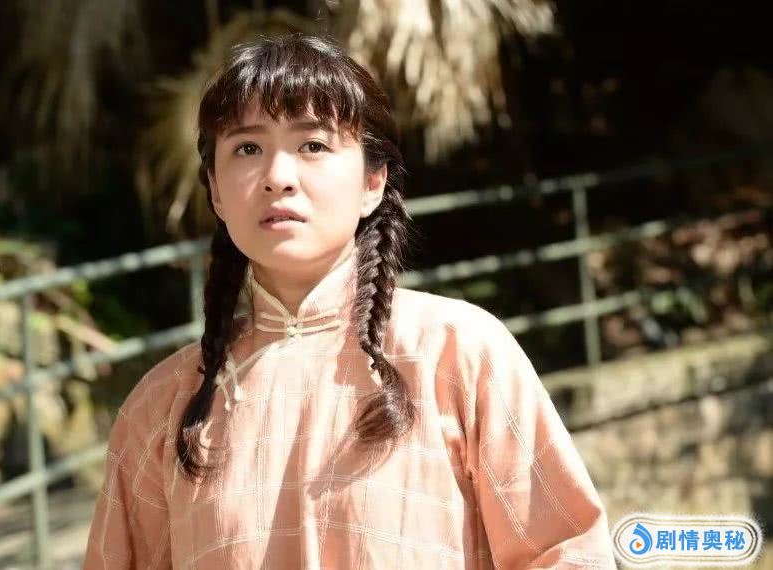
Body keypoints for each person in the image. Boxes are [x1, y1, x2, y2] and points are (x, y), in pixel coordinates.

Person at [82, 33, 616, 569]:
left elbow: (567, 551)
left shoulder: (456, 354)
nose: (278, 178)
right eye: (247, 149)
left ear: (373, 181)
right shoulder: (163, 405)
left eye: (313, 145)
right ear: (216, 191)